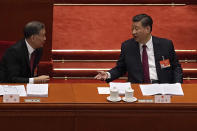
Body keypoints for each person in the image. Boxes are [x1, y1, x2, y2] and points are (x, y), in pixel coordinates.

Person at [95, 14, 183, 84]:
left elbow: (176, 67)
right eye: (132, 29)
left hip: (161, 87)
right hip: (137, 88)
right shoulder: (127, 46)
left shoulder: (165, 45)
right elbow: (121, 68)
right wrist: (108, 74)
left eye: (137, 29)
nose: (133, 32)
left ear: (147, 29)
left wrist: (177, 85)